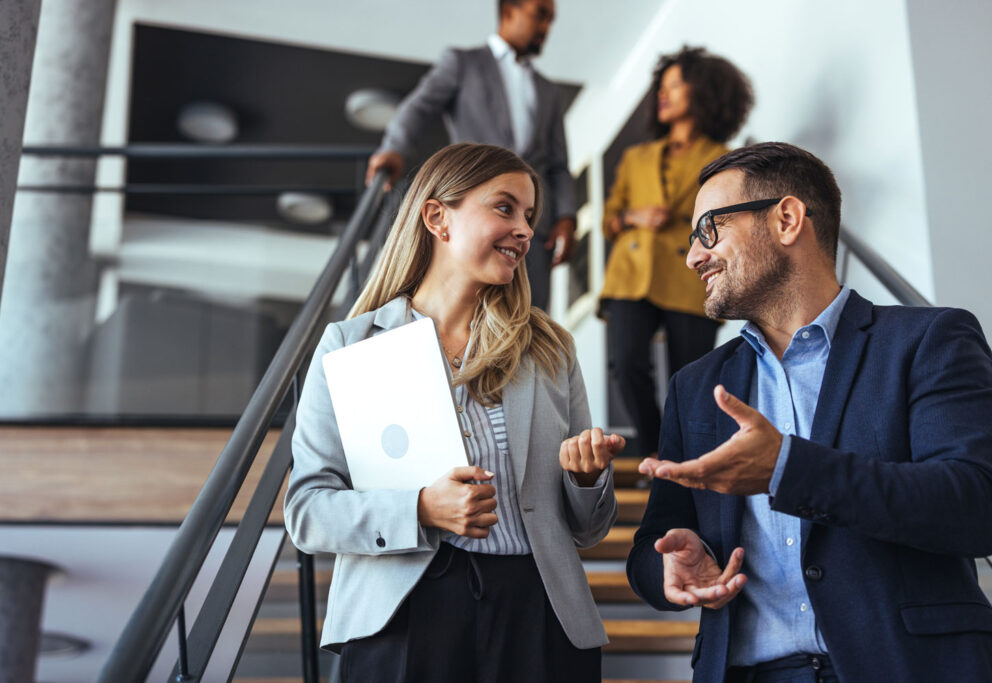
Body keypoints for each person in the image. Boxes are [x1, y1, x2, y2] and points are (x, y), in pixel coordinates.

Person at [627, 142, 992, 682]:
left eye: (710, 229)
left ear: (788, 219)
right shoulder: (694, 386)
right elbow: (654, 542)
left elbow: (977, 507)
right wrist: (668, 568)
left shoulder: (929, 341)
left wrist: (788, 469)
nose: (693, 257)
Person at [286, 143, 624, 683]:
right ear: (437, 217)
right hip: (405, 612)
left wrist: (587, 478)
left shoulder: (550, 348)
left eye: (530, 216)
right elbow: (307, 510)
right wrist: (420, 508)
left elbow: (589, 530)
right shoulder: (349, 346)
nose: (525, 230)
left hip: (539, 611)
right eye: (505, 207)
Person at [364, 0, 576, 311]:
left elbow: (559, 163)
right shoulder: (464, 63)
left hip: (534, 228)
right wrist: (393, 148)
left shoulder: (549, 91)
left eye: (550, 20)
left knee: (529, 318)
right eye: (540, 15)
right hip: (476, 213)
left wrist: (567, 216)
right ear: (509, 10)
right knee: (469, 308)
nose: (546, 28)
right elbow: (419, 107)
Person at [599, 46, 753, 459]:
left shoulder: (724, 158)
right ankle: (657, 450)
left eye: (675, 85)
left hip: (690, 274)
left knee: (692, 374)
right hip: (631, 274)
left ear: (702, 91)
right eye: (660, 87)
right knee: (626, 364)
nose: (662, 95)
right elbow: (608, 219)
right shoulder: (636, 157)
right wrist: (635, 215)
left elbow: (730, 216)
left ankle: (691, 455)